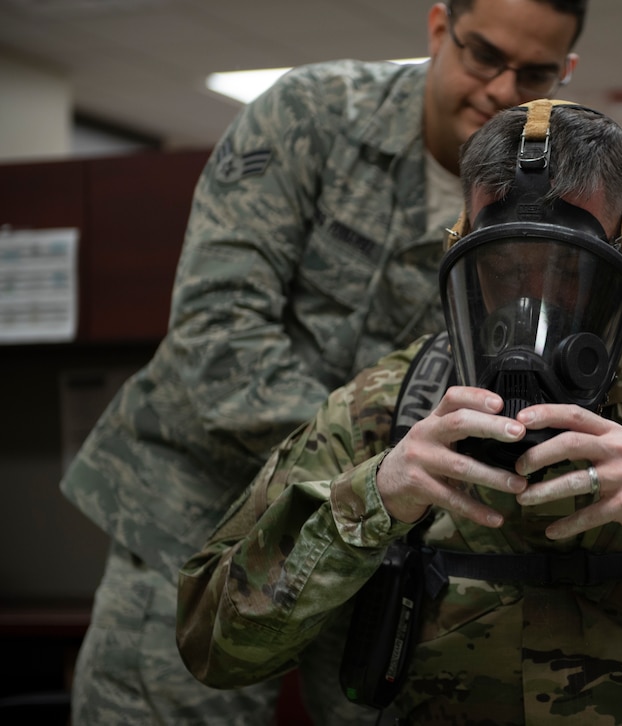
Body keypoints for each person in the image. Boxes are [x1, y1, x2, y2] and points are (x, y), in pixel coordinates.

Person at [176, 100, 622, 725]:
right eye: (504, 267)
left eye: (569, 271)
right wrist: (370, 501)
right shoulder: (388, 408)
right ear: (460, 246)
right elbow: (212, 643)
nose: (535, 298)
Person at [59, 1, 588, 723]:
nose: (501, 89)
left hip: (383, 550)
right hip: (202, 516)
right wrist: (378, 470)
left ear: (567, 73)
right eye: (483, 57)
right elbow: (217, 337)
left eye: (533, 72)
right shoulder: (312, 116)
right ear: (439, 30)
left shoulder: (547, 201)